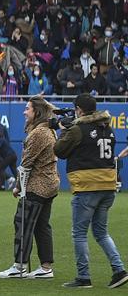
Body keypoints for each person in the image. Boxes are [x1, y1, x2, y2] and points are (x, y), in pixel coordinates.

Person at [53, 93, 127, 289]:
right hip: (108, 186)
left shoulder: (77, 129)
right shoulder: (108, 128)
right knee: (101, 233)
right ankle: (119, 270)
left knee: (79, 233)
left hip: (87, 187)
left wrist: (63, 129)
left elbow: (59, 150)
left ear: (79, 109)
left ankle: (83, 277)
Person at [0, 96, 59, 280]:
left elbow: (26, 164)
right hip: (49, 184)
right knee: (41, 226)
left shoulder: (39, 133)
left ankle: (20, 266)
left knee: (22, 223)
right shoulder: (49, 131)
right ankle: (45, 268)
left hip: (37, 186)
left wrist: (17, 186)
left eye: (27, 109)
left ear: (36, 112)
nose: (24, 112)